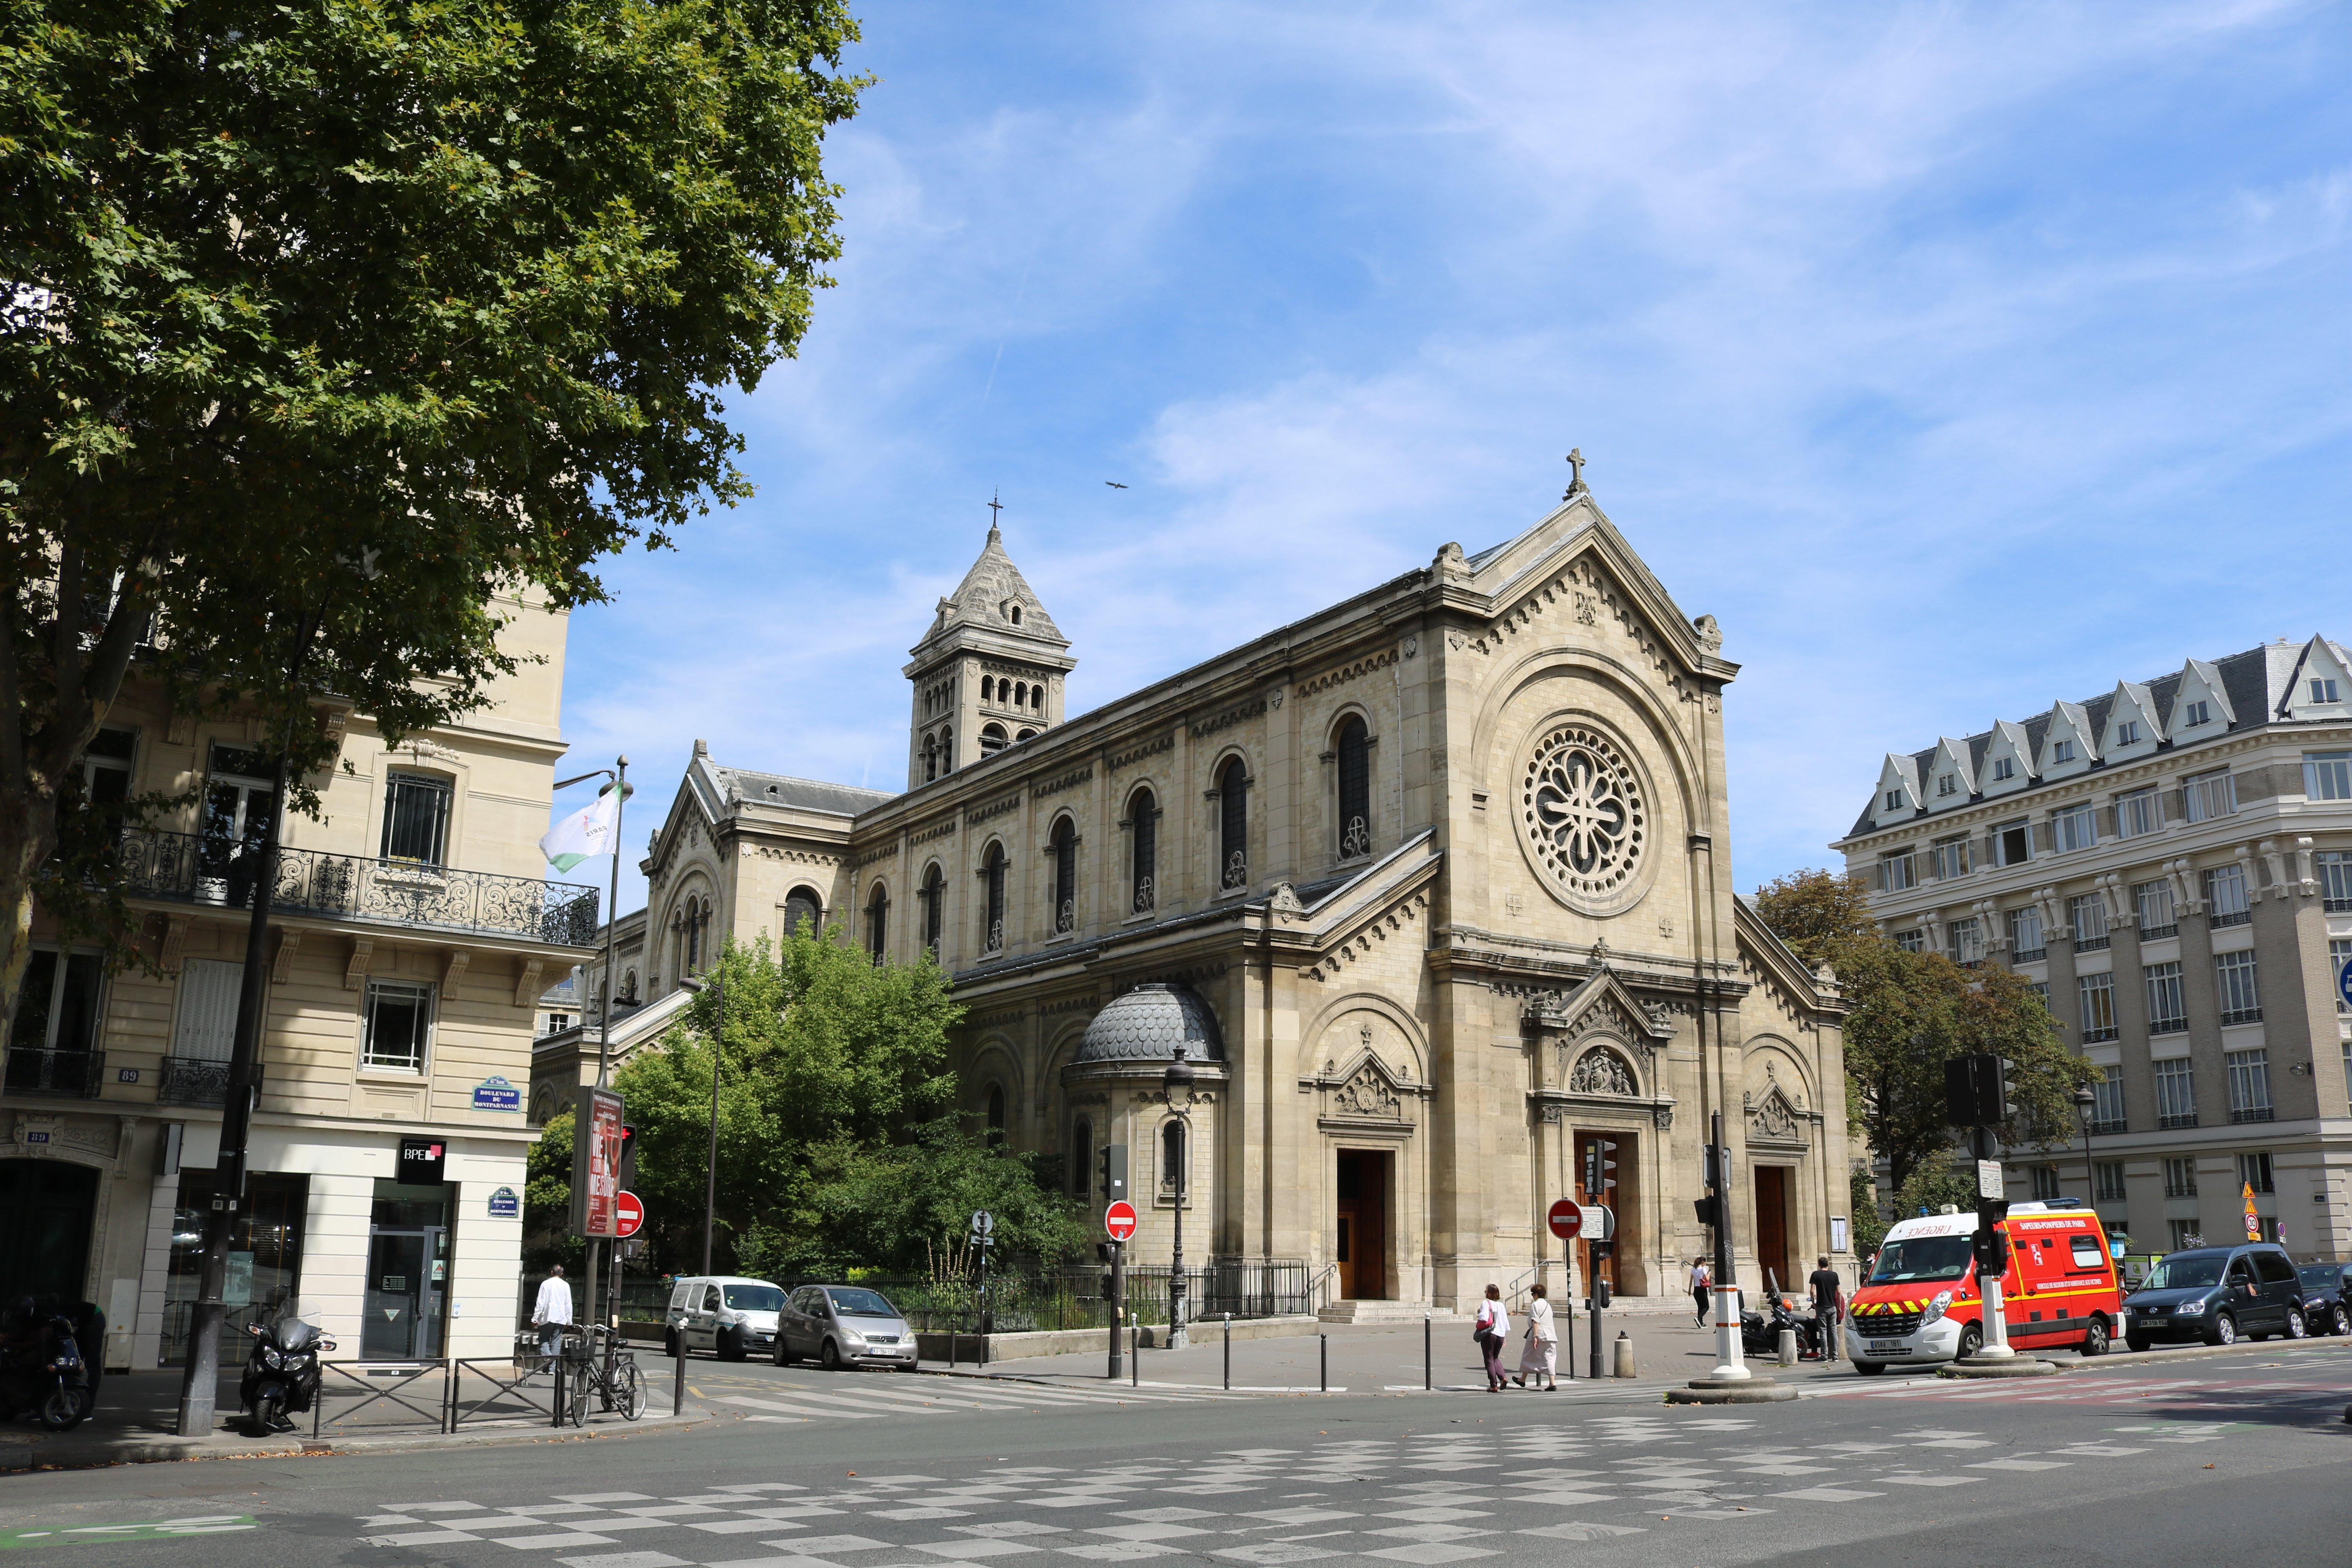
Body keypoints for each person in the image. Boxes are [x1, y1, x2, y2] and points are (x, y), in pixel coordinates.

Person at [1513, 1283, 1558, 1390]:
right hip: (1551, 1335)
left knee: (1528, 1355)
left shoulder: (1535, 1305)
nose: (1533, 1296)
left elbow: (1535, 1322)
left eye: (1533, 1294)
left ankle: (1523, 1379)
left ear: (1536, 1295)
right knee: (1550, 1358)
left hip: (1539, 1335)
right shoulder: (1548, 1305)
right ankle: (1552, 1383)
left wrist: (1535, 1337)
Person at [533, 1265, 574, 1364]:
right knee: (556, 1342)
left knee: (543, 1340)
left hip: (548, 1316)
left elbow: (541, 1302)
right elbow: (568, 1303)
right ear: (562, 1274)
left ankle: (549, 1358)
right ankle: (552, 1368)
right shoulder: (566, 1285)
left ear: (552, 1272)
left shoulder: (546, 1284)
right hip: (561, 1317)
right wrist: (569, 1320)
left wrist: (535, 1318)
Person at [1474, 1284, 1510, 1392]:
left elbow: (1484, 1318)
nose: (1485, 1293)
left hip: (1490, 1334)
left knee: (1489, 1359)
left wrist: (1479, 1313)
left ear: (1489, 1293)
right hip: (1500, 1335)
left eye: (1486, 1292)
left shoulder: (1486, 1303)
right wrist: (1503, 1337)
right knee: (1496, 1357)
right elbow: (1505, 1323)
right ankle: (1503, 1378)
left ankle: (1494, 1385)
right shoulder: (1501, 1305)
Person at [1807, 1254, 1842, 1362]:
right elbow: (1839, 1292)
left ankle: (1824, 1356)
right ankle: (1835, 1356)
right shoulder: (1834, 1275)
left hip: (1822, 1307)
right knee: (1833, 1331)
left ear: (1819, 1265)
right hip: (1832, 1307)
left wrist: (1814, 1304)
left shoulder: (1816, 1275)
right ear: (1827, 1265)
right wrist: (1839, 1306)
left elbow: (1812, 1291)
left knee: (1823, 1332)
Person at [1688, 1257, 1711, 1328]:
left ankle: (1701, 1322)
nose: (1705, 1264)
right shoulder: (1703, 1269)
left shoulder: (1693, 1270)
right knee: (1706, 1306)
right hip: (1702, 1289)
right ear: (1702, 1262)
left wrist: (1689, 1290)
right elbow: (1707, 1279)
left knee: (1700, 1307)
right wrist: (1709, 1273)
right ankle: (1699, 1318)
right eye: (1705, 1262)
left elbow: (1691, 1281)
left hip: (1696, 1290)